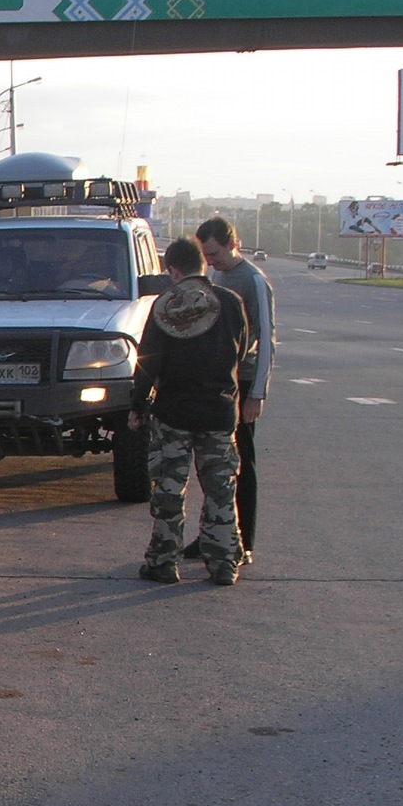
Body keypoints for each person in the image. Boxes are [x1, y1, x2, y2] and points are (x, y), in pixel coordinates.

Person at [128, 238, 249, 586]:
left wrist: (138, 406)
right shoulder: (231, 302)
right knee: (221, 489)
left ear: (174, 271)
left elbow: (148, 362)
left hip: (174, 414)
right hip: (219, 413)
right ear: (204, 265)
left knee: (169, 489)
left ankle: (164, 561)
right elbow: (240, 351)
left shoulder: (165, 306)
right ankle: (224, 562)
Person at [193, 216, 273, 563]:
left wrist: (256, 393)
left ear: (230, 244)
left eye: (214, 253)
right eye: (206, 255)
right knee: (214, 461)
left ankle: (244, 541)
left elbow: (267, 340)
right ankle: (211, 535)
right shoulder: (216, 275)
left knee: (242, 463)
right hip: (218, 380)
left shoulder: (253, 280)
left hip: (243, 382)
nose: (210, 261)